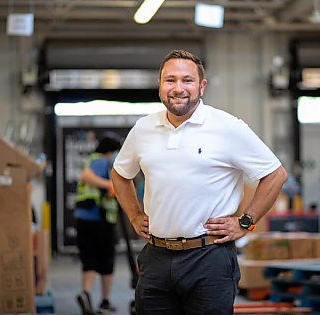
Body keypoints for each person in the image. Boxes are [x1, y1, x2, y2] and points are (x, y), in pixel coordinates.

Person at [111, 49, 288, 315]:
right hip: (156, 257)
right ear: (160, 86)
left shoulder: (228, 127)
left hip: (209, 258)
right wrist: (135, 215)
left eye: (187, 80)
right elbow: (119, 174)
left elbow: (275, 174)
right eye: (170, 80)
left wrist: (245, 222)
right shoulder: (143, 129)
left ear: (201, 86)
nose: (178, 88)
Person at [74, 133, 121, 315]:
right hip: (100, 221)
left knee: (89, 260)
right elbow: (86, 176)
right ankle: (105, 301)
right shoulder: (101, 161)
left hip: (84, 219)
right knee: (106, 261)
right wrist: (109, 185)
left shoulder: (91, 159)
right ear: (111, 151)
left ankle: (86, 294)